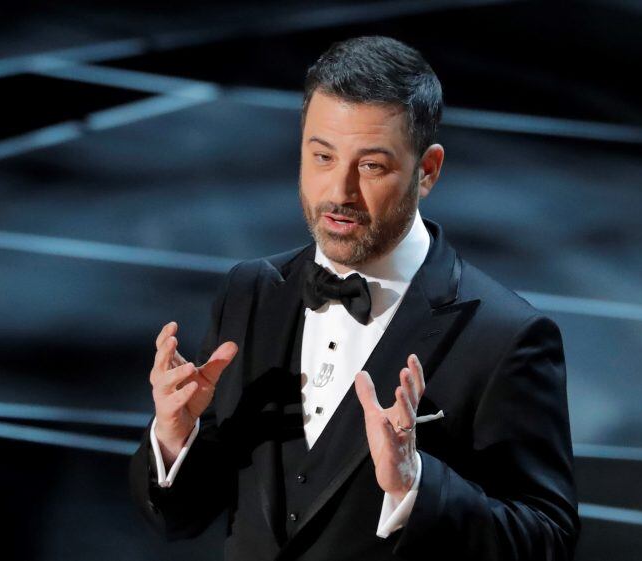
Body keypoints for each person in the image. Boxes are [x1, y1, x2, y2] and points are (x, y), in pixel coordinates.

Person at [129, 35, 580, 561]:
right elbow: (183, 518)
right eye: (322, 156)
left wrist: (415, 488)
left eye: (371, 166)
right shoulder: (249, 291)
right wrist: (174, 438)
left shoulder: (505, 336)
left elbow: (546, 541)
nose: (338, 191)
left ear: (427, 171)